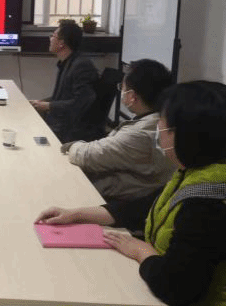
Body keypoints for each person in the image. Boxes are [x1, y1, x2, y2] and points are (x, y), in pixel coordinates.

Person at [36, 81, 226, 306]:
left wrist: (140, 251)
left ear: (186, 134)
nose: (158, 127)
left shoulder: (208, 202)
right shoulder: (196, 172)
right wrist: (77, 214)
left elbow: (177, 287)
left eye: (163, 122)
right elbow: (144, 207)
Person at [60, 59, 175, 201]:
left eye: (122, 88)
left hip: (114, 200)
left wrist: (72, 146)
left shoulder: (139, 134)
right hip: (136, 194)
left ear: (132, 96)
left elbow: (87, 156)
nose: (122, 92)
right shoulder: (163, 119)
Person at [30, 21, 99, 143]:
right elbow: (63, 97)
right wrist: (41, 102)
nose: (50, 39)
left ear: (62, 43)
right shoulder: (67, 63)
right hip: (61, 123)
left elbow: (80, 103)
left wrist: (48, 106)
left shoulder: (81, 66)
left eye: (53, 36)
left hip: (70, 130)